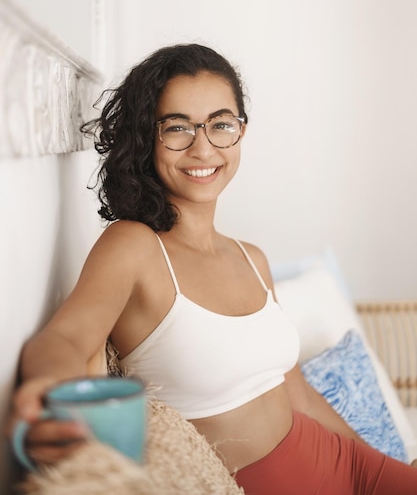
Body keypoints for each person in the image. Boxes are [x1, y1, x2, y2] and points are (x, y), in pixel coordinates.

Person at [8, 44, 417, 494]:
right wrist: (50, 391)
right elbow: (64, 337)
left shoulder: (251, 257)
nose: (203, 148)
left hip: (349, 466)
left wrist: (385, 468)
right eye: (178, 127)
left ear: (240, 132)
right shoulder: (134, 246)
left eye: (221, 124)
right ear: (147, 137)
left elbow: (298, 395)